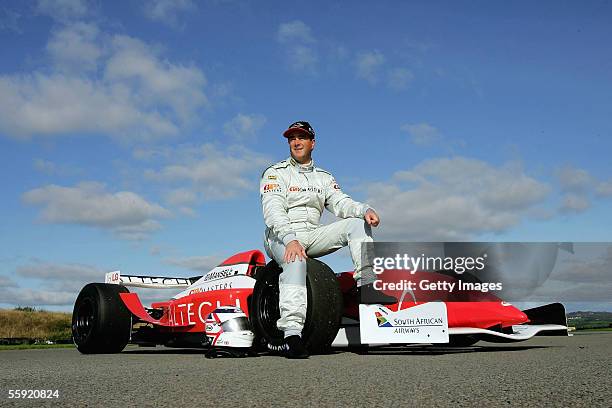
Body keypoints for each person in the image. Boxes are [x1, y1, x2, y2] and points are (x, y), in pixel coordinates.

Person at [260, 121, 395, 359]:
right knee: (296, 261)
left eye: (301, 137)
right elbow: (273, 212)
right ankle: (292, 334)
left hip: (312, 233)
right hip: (281, 236)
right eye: (292, 138)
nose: (296, 142)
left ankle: (367, 286)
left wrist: (364, 209)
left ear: (313, 142)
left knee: (356, 224)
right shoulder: (275, 172)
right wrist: (290, 240)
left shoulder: (324, 177)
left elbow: (341, 203)